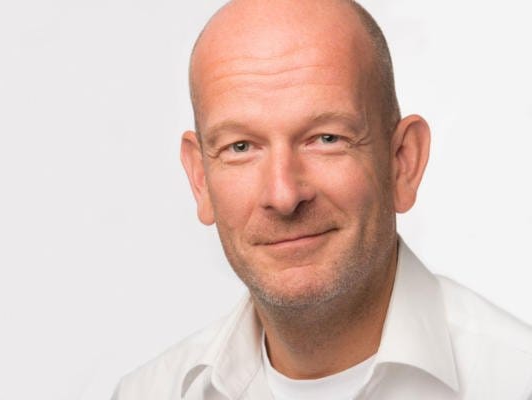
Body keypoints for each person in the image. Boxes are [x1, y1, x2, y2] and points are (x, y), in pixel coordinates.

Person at [112, 0, 532, 398]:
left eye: (326, 138)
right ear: (201, 178)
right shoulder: (147, 394)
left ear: (402, 161)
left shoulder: (516, 383)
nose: (283, 196)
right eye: (241, 147)